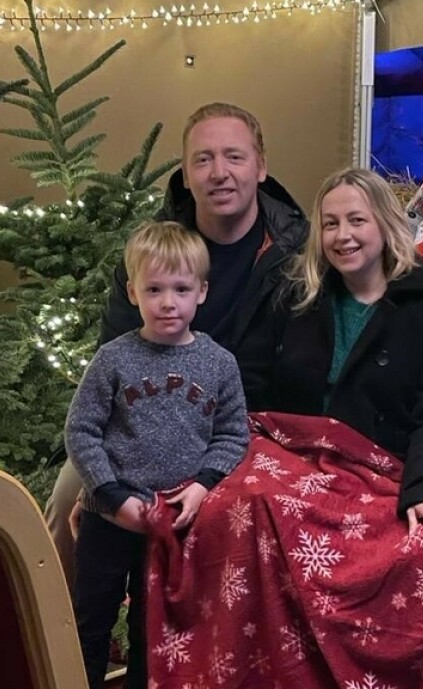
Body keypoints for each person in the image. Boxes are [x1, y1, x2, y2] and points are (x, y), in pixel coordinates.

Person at [43, 102, 309, 577]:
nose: (219, 173)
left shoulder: (297, 255)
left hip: (246, 432)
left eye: (234, 157)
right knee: (68, 496)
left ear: (261, 167)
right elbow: (113, 364)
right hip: (141, 428)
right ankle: (65, 641)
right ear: (185, 174)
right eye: (203, 159)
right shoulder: (152, 252)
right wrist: (104, 489)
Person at [238, 167, 423, 547]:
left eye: (356, 220)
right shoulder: (294, 294)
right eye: (330, 224)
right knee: (230, 516)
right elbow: (250, 385)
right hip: (289, 463)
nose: (342, 235)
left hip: (380, 472)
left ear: (384, 224)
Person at [64, 221, 250, 689]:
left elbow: (232, 435)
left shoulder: (220, 364)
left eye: (181, 288)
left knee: (153, 631)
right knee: (91, 620)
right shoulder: (112, 359)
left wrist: (202, 485)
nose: (168, 301)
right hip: (109, 521)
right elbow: (81, 431)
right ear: (132, 292)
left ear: (201, 292)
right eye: (154, 288)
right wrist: (110, 496)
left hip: (172, 524)